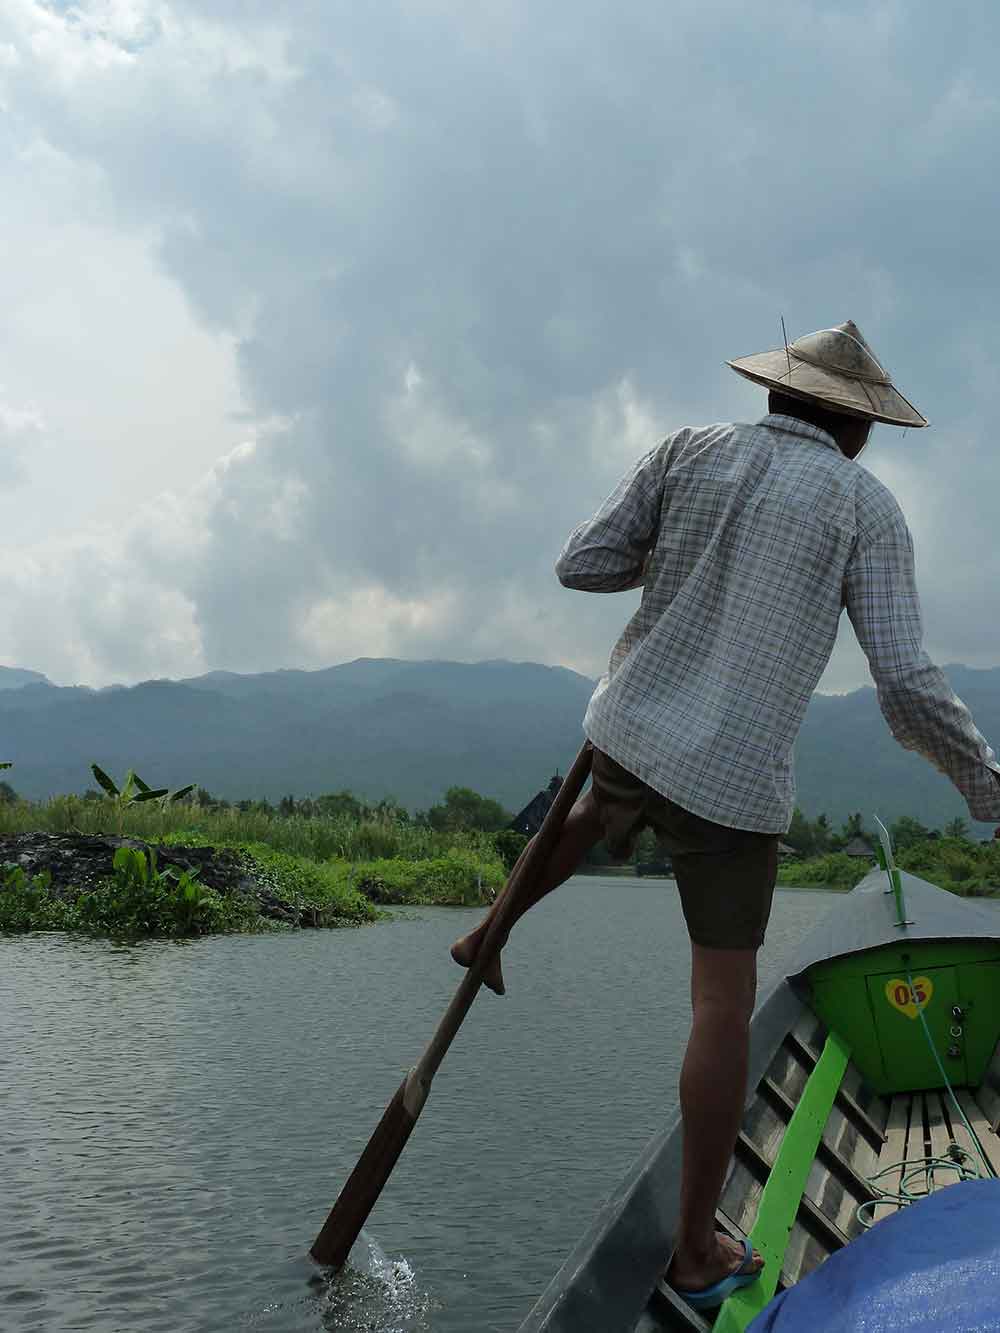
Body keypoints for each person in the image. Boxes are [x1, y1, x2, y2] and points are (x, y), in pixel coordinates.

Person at [450, 320, 1000, 1309]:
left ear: (778, 394)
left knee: (591, 815)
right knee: (718, 1007)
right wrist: (982, 785)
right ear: (858, 427)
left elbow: (584, 566)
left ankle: (490, 927)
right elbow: (907, 679)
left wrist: (675, 550)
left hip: (629, 728)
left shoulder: (686, 449)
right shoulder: (862, 505)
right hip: (732, 779)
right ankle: (694, 1246)